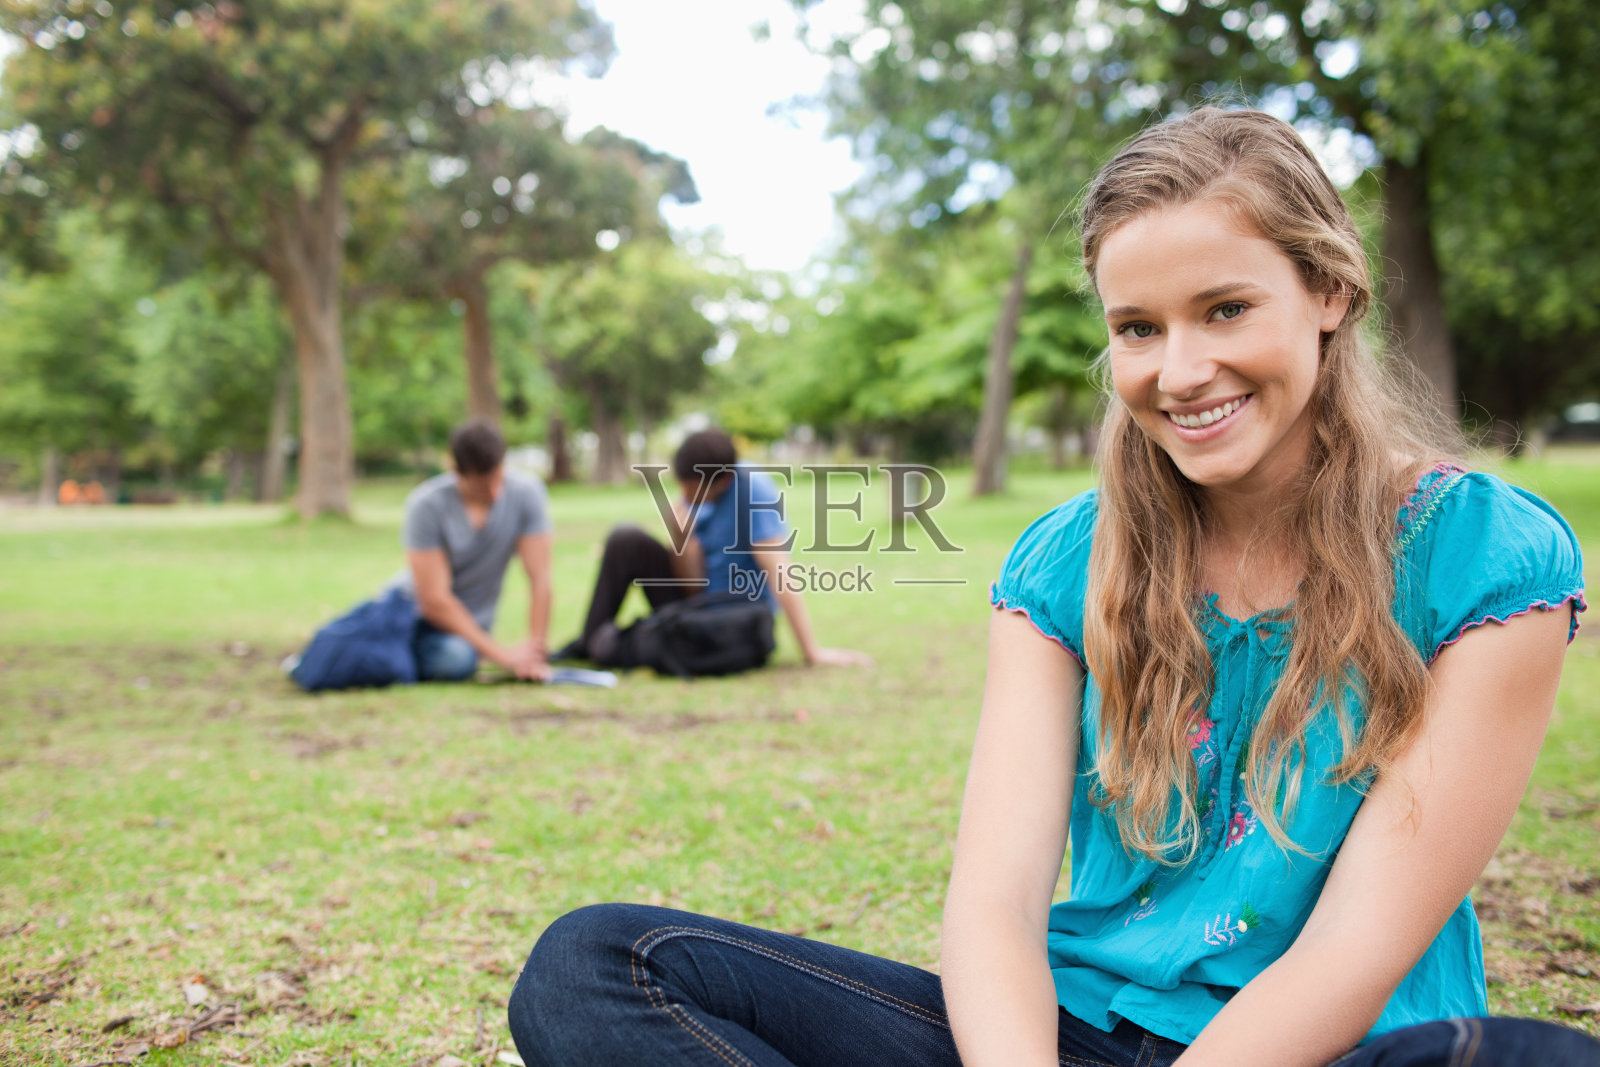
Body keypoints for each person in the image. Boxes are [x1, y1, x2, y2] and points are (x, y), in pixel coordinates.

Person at [502, 109, 1600, 1067]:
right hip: (1060, 1039)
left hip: (1330, 1045)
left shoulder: (1485, 558)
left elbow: (1355, 947)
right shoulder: (1062, 565)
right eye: (1137, 328)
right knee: (594, 967)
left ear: (1327, 289)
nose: (1177, 371)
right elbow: (994, 899)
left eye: (1224, 309)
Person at [556, 428, 869, 669]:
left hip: (733, 618)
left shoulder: (752, 488)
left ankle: (611, 646)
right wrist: (681, 542)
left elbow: (780, 573)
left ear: (723, 480)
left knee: (616, 647)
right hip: (697, 603)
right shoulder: (694, 497)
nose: (685, 496)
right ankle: (588, 642)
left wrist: (812, 652)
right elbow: (693, 586)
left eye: (692, 490)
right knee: (625, 538)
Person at [396, 417, 553, 682]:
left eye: (497, 479)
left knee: (462, 655)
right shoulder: (425, 505)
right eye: (481, 484)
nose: (493, 493)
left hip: (472, 633)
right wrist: (503, 656)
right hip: (418, 622)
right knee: (456, 659)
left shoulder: (528, 493)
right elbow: (434, 601)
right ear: (455, 470)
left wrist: (534, 653)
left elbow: (540, 579)